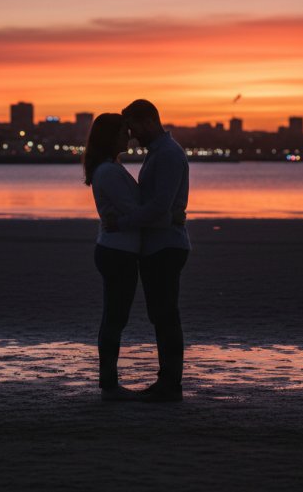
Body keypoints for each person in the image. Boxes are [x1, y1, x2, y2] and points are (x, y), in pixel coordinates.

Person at [83, 113, 184, 402]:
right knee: (115, 317)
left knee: (115, 316)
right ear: (111, 137)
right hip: (118, 251)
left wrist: (160, 213)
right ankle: (109, 384)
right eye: (123, 131)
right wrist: (170, 216)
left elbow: (135, 209)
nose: (129, 136)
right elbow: (135, 210)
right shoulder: (109, 172)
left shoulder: (112, 168)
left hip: (119, 250)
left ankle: (110, 383)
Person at [108, 99, 191, 403]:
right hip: (161, 242)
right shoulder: (160, 153)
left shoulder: (167, 155)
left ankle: (170, 383)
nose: (131, 135)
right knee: (162, 315)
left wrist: (123, 222)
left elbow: (159, 206)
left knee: (166, 315)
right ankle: (168, 381)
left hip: (166, 245)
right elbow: (160, 206)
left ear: (148, 121)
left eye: (133, 127)